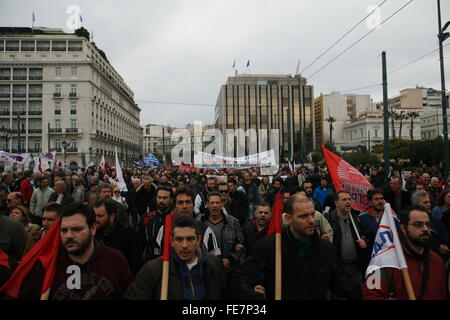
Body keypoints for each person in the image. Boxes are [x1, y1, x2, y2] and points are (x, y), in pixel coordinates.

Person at [12, 201, 133, 300]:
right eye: (64, 230)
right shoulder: (45, 265)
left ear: (93, 229)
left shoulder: (115, 260)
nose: (69, 235)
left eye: (77, 229)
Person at [228, 196, 337, 300]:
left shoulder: (326, 249)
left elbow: (337, 284)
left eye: (312, 214)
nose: (312, 220)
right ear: (289, 218)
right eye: (303, 216)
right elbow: (239, 279)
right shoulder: (269, 247)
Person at [123, 215, 226, 300]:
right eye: (179, 239)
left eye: (190, 239)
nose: (184, 245)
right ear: (171, 241)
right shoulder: (154, 269)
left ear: (199, 240)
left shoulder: (213, 264)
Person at [363, 205, 448, 300]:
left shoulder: (438, 261)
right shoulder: (383, 262)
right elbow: (370, 295)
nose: (425, 229)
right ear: (403, 228)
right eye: (418, 225)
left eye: (427, 225)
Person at [325, 191, 371, 300]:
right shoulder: (328, 219)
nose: (348, 202)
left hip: (355, 269)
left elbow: (366, 235)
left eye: (349, 199)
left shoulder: (357, 218)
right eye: (344, 200)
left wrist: (365, 241)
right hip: (337, 269)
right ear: (336, 203)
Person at [196, 192, 244, 271]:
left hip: (228, 270)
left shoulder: (232, 222)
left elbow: (241, 247)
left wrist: (230, 259)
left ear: (222, 204)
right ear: (207, 205)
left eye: (217, 203)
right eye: (212, 203)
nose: (215, 205)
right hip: (205, 269)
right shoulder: (199, 222)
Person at [93, 198, 142, 275]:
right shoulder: (92, 234)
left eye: (100, 216)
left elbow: (135, 264)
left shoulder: (129, 235)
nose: (96, 219)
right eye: (95, 215)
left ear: (112, 216)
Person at [411, 190, 450, 259]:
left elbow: (446, 239)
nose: (429, 204)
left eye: (429, 202)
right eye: (425, 202)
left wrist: (444, 246)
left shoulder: (437, 222)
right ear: (416, 205)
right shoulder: (410, 223)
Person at [141, 186, 174, 262]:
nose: (161, 200)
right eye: (159, 197)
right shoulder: (147, 218)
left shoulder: (175, 219)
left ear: (171, 200)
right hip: (149, 259)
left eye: (165, 198)